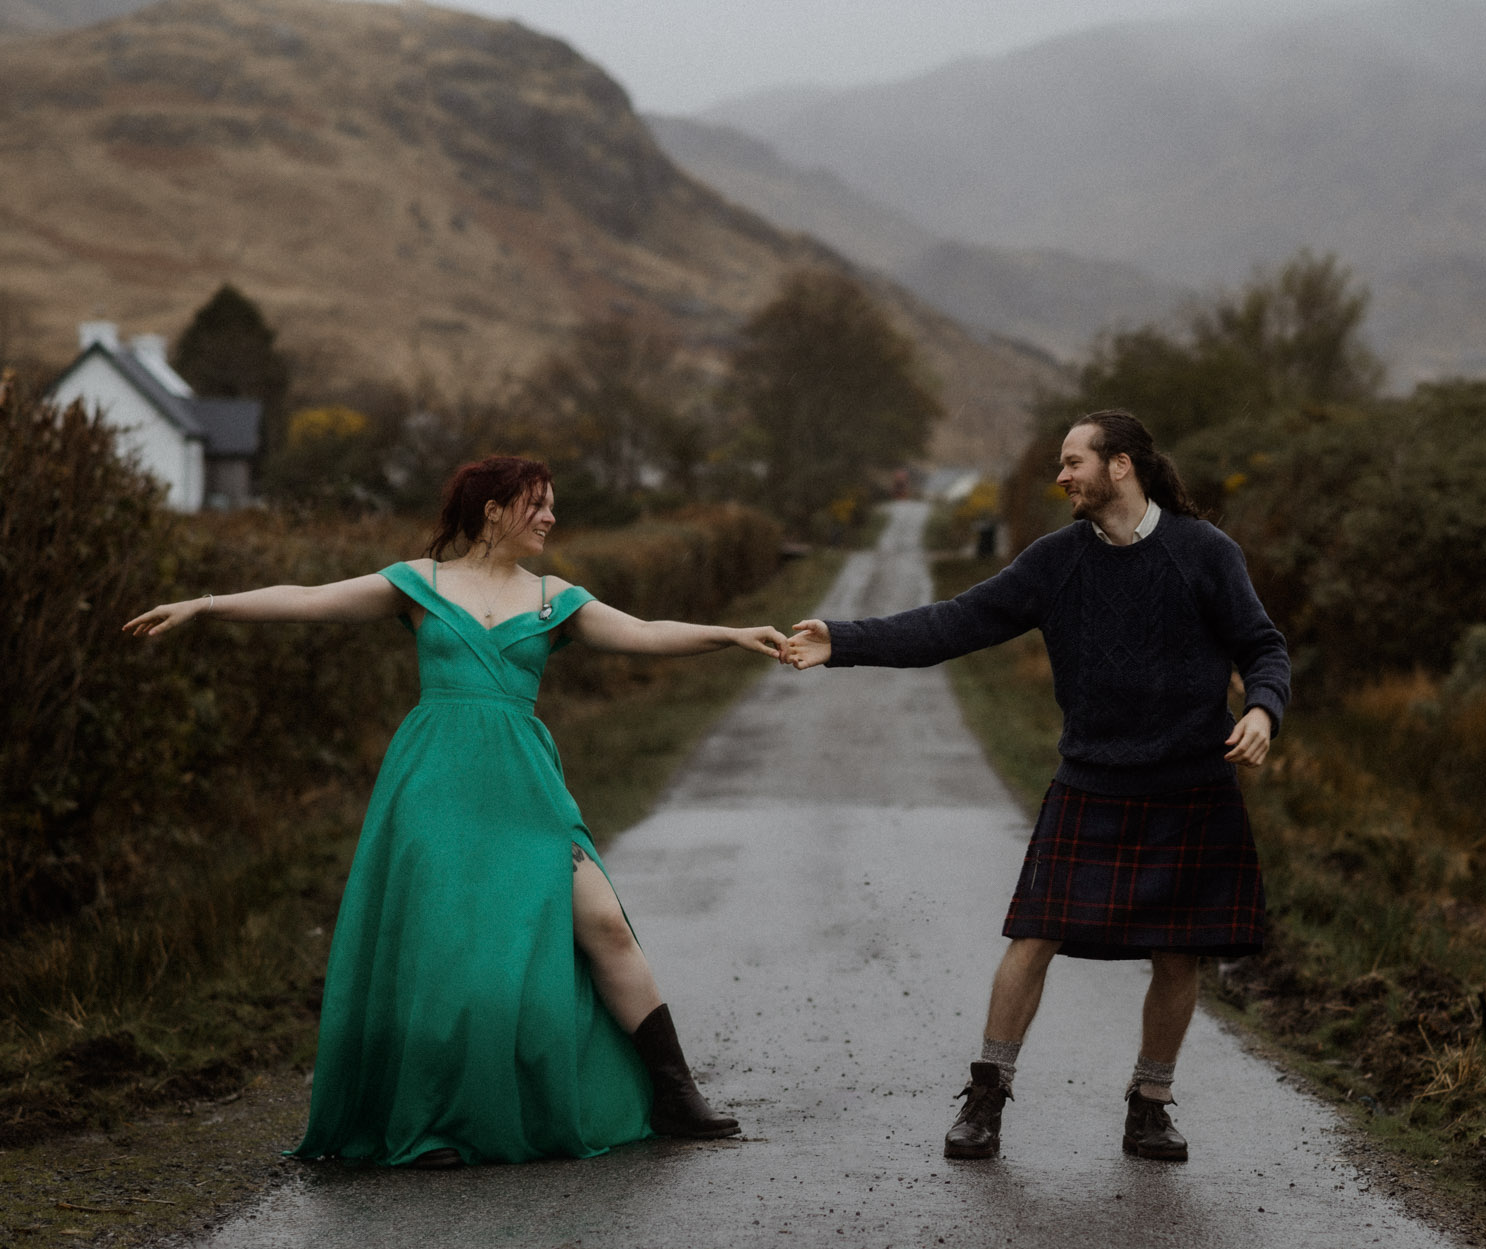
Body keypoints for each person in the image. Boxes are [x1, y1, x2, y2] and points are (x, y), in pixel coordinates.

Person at [125, 457, 788, 1167]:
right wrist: (206, 604)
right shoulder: (419, 583)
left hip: (525, 789)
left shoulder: (555, 598)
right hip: (433, 787)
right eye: (537, 503)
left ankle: (675, 1094)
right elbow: (310, 598)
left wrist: (730, 634)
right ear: (493, 509)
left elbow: (647, 632)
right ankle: (428, 1125)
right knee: (441, 953)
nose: (550, 517)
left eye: (552, 504)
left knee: (604, 924)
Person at [785, 409, 1290, 1162]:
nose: (1061, 476)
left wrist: (1263, 711)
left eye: (1073, 461)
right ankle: (986, 1097)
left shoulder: (1205, 552)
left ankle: (1150, 1105)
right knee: (1033, 936)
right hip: (1093, 778)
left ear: (1121, 465)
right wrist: (844, 642)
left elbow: (1263, 645)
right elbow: (954, 623)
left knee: (1180, 950)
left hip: (1190, 784)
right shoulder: (1057, 562)